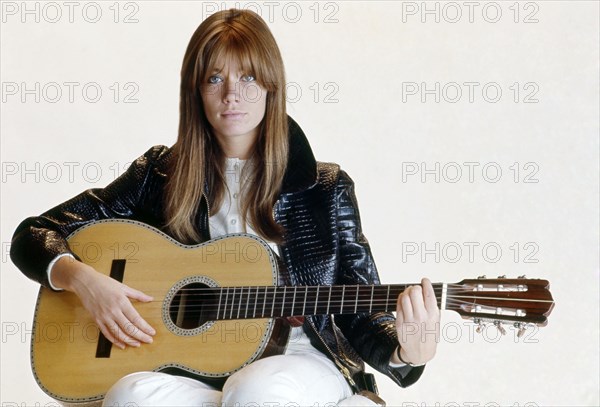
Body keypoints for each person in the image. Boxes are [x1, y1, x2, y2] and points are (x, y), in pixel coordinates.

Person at [10, 9, 440, 406]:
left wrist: (406, 351)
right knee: (129, 396)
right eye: (215, 79)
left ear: (272, 86)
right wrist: (84, 280)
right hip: (196, 370)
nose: (233, 94)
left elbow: (363, 312)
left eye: (249, 78)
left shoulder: (324, 189)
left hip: (306, 361)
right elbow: (34, 233)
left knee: (255, 389)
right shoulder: (159, 174)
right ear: (195, 92)